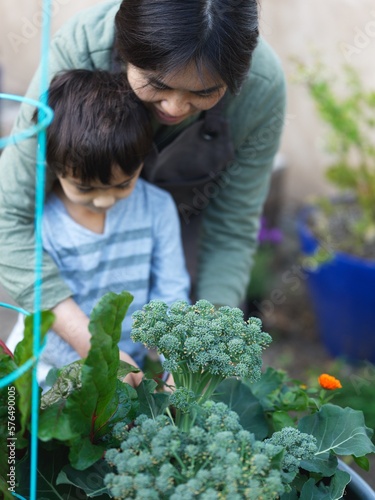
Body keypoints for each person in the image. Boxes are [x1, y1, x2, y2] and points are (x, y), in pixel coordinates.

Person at [0, 0, 286, 355]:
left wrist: (195, 354)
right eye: (156, 83)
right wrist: (96, 349)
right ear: (123, 48)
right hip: (70, 267)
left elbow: (230, 230)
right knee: (19, 406)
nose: (174, 108)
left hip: (178, 232)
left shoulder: (261, 86)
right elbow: (8, 215)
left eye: (203, 92)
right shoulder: (83, 45)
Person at [5, 69, 190, 387]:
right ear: (54, 167)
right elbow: (43, 318)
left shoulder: (156, 209)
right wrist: (104, 364)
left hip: (126, 369)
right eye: (85, 188)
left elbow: (171, 293)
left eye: (122, 184)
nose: (105, 200)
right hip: (44, 376)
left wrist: (177, 367)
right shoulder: (40, 221)